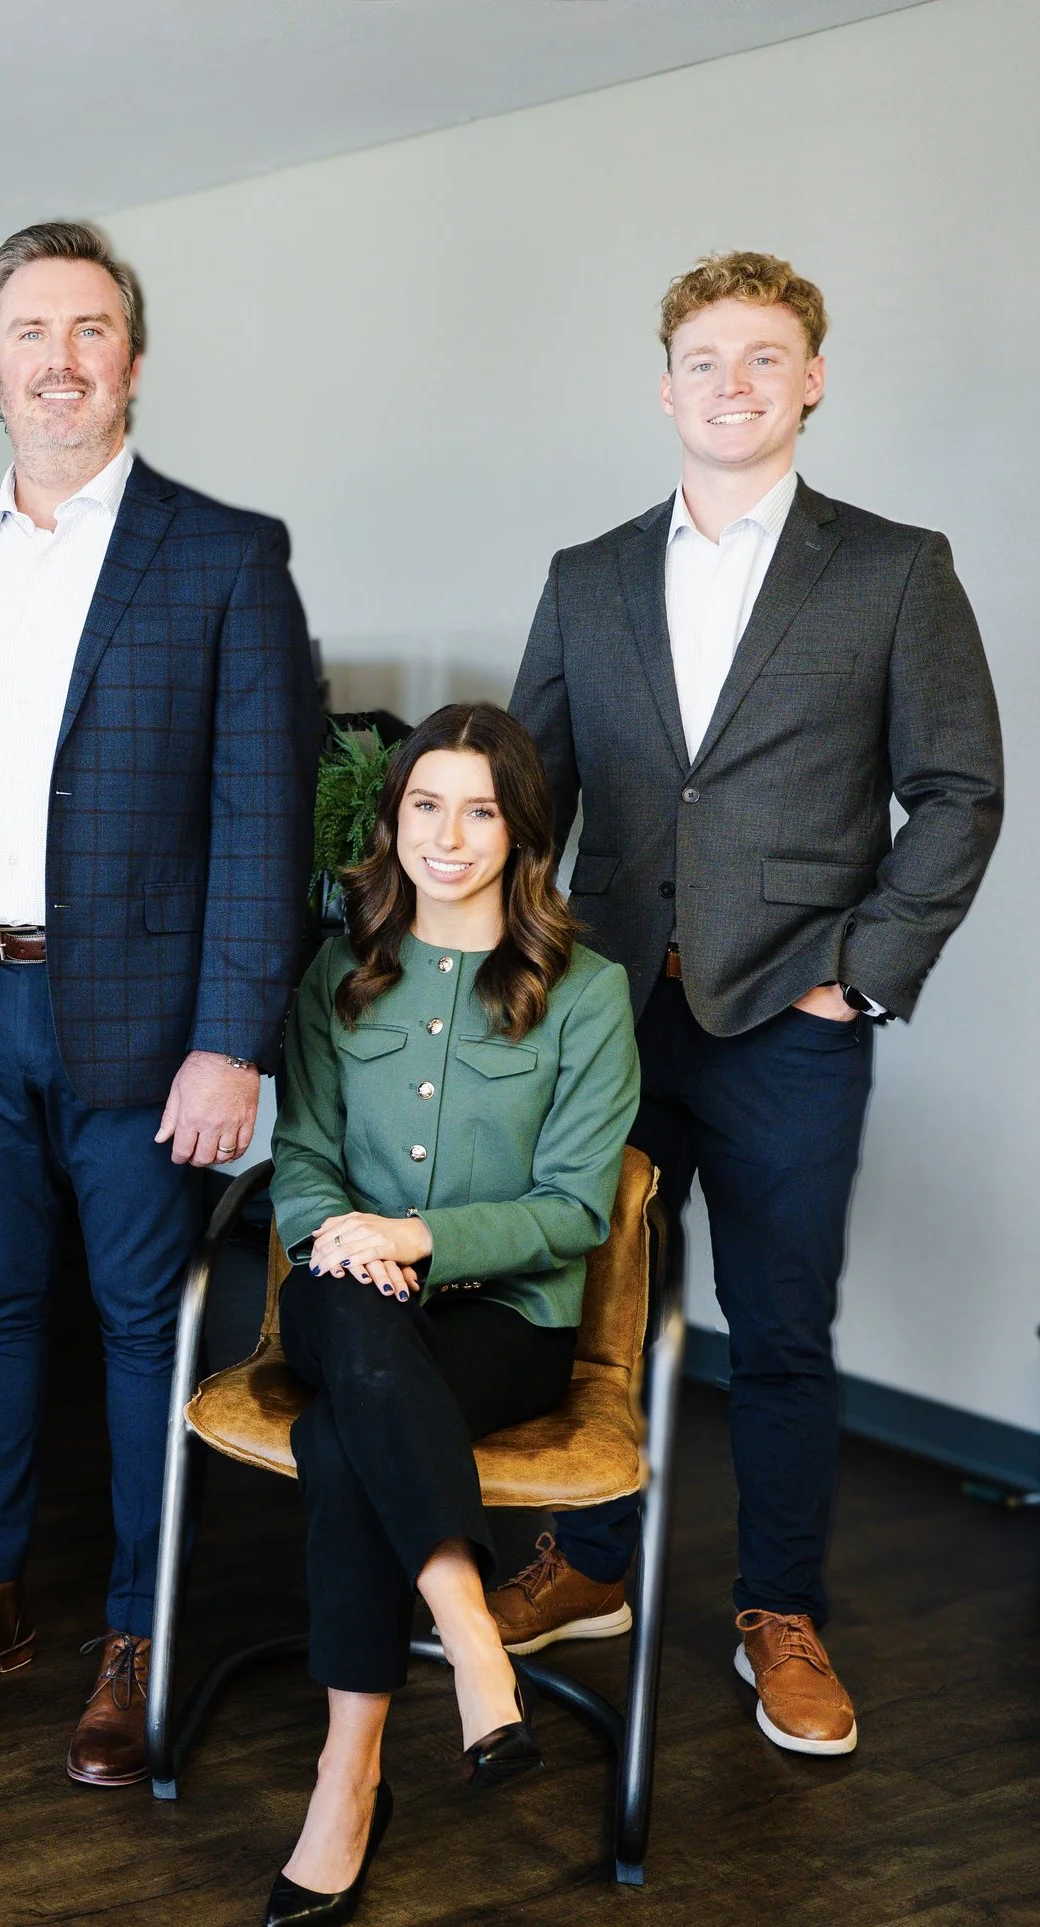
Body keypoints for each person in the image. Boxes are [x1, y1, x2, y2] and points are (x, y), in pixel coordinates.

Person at [503, 251, 1003, 1758]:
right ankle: (587, 1564)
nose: (735, 382)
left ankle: (778, 1609)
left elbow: (960, 792)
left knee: (780, 1326)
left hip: (794, 1020)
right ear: (668, 387)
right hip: (610, 1017)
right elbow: (533, 797)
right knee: (592, 1304)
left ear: (813, 380)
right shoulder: (587, 576)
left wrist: (864, 968)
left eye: (765, 356)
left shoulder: (894, 568)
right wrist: (522, 983)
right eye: (706, 359)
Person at [0, 220, 322, 1786]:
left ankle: (138, 1626)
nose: (62, 359)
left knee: (138, 1325)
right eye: (32, 334)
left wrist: (233, 1037)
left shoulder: (225, 552)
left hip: (151, 1032)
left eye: (93, 329)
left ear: (132, 357)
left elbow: (267, 821)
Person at [262, 704, 637, 1926]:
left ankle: (348, 1773)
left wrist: (418, 1238)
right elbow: (304, 1160)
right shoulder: (337, 972)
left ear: (522, 831)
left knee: (339, 1436)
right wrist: (344, 1237)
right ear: (392, 820)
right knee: (358, 1335)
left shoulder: (586, 993)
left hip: (502, 1323)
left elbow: (579, 1207)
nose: (449, 834)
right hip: (338, 1292)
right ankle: (472, 1635)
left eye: (481, 808)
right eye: (426, 803)